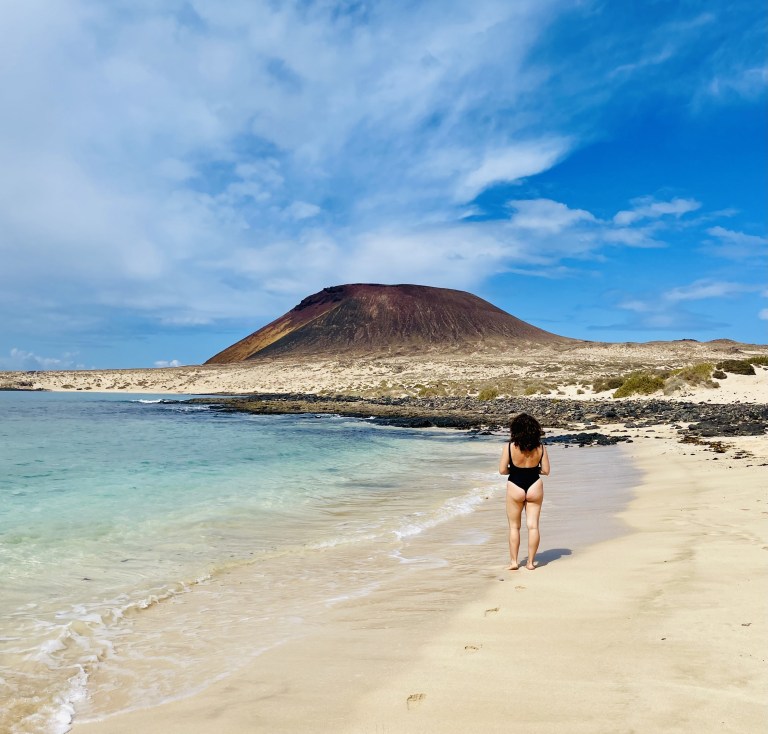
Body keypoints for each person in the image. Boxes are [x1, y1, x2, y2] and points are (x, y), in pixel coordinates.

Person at [498, 413, 550, 570]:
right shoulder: (540, 448)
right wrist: (533, 470)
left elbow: (502, 470)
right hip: (534, 484)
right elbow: (546, 471)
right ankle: (531, 563)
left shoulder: (509, 447)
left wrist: (514, 471)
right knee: (533, 526)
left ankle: (514, 562)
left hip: (515, 485)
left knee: (514, 527)